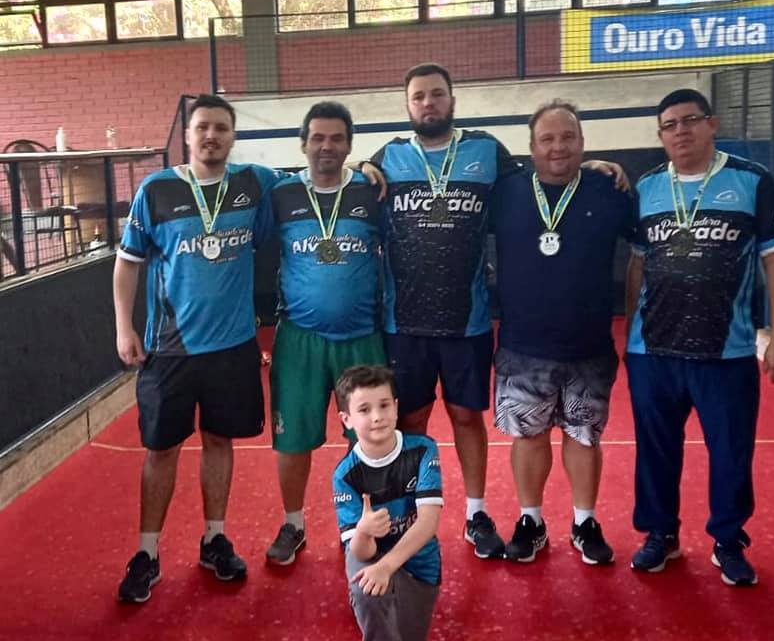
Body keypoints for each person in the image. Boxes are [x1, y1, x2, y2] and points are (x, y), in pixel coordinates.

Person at [625, 88, 774, 586]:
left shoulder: (752, 181)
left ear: (711, 124)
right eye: (670, 125)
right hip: (653, 350)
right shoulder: (647, 187)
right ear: (660, 135)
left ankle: (728, 539)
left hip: (726, 350)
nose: (680, 131)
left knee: (730, 451)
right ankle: (661, 534)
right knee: (655, 449)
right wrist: (631, 333)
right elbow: (637, 264)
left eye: (690, 120)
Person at [114, 93, 278, 602]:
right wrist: (123, 328)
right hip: (170, 348)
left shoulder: (255, 184)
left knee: (219, 441)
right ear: (187, 135)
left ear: (233, 136)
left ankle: (214, 539)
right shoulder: (156, 190)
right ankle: (147, 552)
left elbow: (314, 183)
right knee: (161, 449)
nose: (211, 136)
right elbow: (127, 264)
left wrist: (367, 168)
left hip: (233, 345)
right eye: (202, 127)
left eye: (221, 128)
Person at [364, 62, 518, 560]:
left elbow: (537, 191)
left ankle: (476, 513)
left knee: (466, 416)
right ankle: (407, 514)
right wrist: (360, 167)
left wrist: (593, 171)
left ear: (452, 100)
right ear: (407, 105)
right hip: (403, 323)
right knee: (410, 421)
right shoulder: (387, 158)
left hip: (465, 321)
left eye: (436, 94)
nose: (428, 103)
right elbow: (347, 186)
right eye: (418, 96)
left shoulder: (487, 152)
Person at [492, 101, 634, 563]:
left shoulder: (608, 189)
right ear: (531, 147)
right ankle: (530, 521)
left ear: (583, 143)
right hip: (523, 346)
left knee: (584, 437)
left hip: (589, 346)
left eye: (567, 137)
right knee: (528, 438)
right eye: (547, 139)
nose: (558, 147)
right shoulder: (506, 192)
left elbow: (641, 250)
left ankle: (583, 522)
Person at [264, 101, 385, 565]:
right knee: (292, 439)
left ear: (349, 145)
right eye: (317, 138)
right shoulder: (280, 194)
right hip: (300, 339)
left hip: (361, 336)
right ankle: (293, 524)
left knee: (369, 438)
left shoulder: (371, 192)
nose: (326, 146)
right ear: (303, 144)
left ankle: (361, 523)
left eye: (336, 138)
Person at [332, 364, 442, 641]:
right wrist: (365, 530)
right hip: (374, 558)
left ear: (396, 407)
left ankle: (376, 608)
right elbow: (360, 551)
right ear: (347, 420)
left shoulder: (423, 450)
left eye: (384, 405)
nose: (377, 417)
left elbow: (428, 523)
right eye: (364, 410)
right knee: (365, 583)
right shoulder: (345, 474)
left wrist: (388, 566)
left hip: (417, 564)